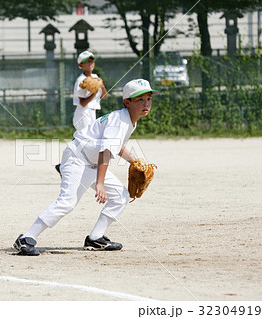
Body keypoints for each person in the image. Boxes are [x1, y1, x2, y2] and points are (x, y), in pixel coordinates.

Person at [14, 79, 158, 256]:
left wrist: (135, 161)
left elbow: (116, 145)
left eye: (148, 99)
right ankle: (26, 238)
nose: (146, 104)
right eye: (140, 100)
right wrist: (100, 183)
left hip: (90, 162)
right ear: (127, 102)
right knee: (67, 202)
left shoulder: (127, 119)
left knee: (121, 197)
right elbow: (105, 151)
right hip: (77, 159)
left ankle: (96, 238)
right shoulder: (120, 121)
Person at [55, 51, 108, 176]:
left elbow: (105, 96)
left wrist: (101, 84)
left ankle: (63, 165)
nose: (90, 64)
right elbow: (83, 103)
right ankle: (72, 165)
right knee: (84, 140)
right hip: (82, 113)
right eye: (87, 61)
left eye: (92, 61)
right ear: (80, 65)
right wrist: (94, 93)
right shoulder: (80, 80)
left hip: (91, 113)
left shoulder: (95, 77)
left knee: (81, 140)